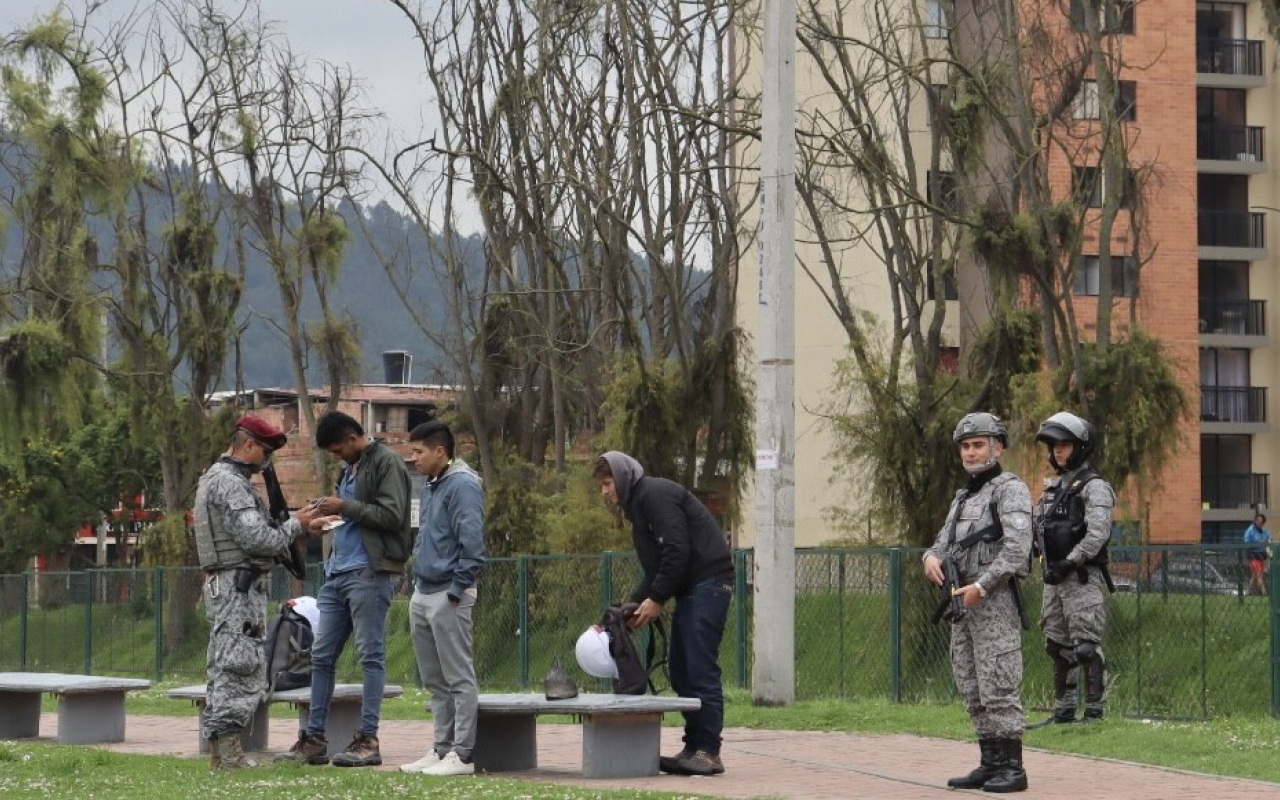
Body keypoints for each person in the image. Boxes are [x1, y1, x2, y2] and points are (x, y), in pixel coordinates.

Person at [280, 410, 412, 767]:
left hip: (370, 571)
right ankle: (314, 739)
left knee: (370, 654)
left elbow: (392, 515)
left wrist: (345, 506)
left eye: (339, 450)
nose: (337, 457)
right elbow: (355, 517)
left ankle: (368, 740)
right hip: (337, 571)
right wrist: (328, 519)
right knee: (321, 656)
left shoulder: (386, 463)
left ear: (354, 439)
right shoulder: (348, 469)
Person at [194, 415, 326, 771]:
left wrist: (296, 526)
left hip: (234, 585)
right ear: (248, 445)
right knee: (238, 663)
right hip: (238, 589)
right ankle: (229, 753)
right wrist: (296, 522)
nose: (265, 461)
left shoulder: (217, 478)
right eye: (264, 452)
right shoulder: (230, 484)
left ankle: (222, 755)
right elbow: (257, 539)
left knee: (228, 662)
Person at [593, 451, 734, 777]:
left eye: (607, 483)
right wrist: (626, 611)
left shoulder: (653, 495)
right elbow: (656, 570)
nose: (605, 492)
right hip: (692, 589)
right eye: (601, 486)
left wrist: (656, 599)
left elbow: (677, 549)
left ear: (623, 477)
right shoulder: (638, 510)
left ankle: (709, 751)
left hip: (710, 583)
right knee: (682, 669)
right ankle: (692, 747)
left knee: (700, 667)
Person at [923, 412, 1032, 793]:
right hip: (961, 603)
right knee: (971, 685)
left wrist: (982, 587)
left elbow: (1017, 550)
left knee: (998, 684)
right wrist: (930, 558)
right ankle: (990, 763)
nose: (970, 453)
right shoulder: (963, 496)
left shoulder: (1010, 489)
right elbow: (943, 542)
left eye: (978, 445)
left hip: (994, 602)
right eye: (965, 447)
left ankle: (1013, 768)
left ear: (997, 447)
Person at [399, 421, 487, 777]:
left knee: (458, 677)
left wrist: (455, 591)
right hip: (423, 592)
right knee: (434, 680)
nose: (413, 458)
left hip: (449, 594)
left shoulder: (463, 484)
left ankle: (462, 755)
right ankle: (440, 748)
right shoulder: (432, 484)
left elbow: (473, 546)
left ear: (440, 451)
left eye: (419, 452)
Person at [1029, 412, 1116, 729]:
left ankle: (1094, 713)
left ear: (1080, 446)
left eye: (1064, 444)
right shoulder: (1053, 489)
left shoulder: (1095, 487)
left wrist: (1070, 560)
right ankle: (1063, 711)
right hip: (1053, 579)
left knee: (1085, 647)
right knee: (1057, 646)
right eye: (1053, 446)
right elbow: (1037, 528)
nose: (1057, 451)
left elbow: (1098, 534)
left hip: (1081, 578)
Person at [1244, 513, 1271, 596]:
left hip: (1262, 556)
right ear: (1255, 521)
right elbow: (1246, 542)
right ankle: (1265, 593)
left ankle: (1247, 593)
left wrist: (1268, 541)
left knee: (1255, 575)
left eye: (1262, 522)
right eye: (1258, 521)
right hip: (1253, 556)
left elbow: (1269, 539)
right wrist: (1258, 543)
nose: (1260, 523)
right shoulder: (1250, 530)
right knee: (1259, 574)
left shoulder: (1264, 531)